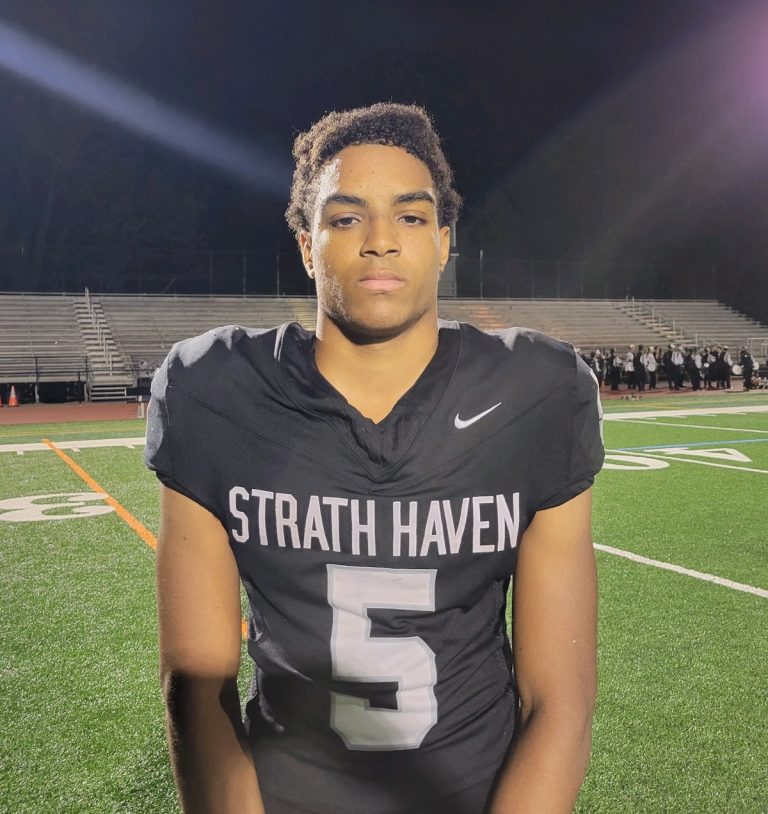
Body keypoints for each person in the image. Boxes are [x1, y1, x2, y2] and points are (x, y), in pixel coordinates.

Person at [145, 103, 603, 814]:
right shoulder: (215, 394)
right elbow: (198, 683)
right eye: (347, 217)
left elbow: (558, 700)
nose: (381, 241)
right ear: (307, 245)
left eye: (411, 217)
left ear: (443, 244)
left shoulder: (536, 395)